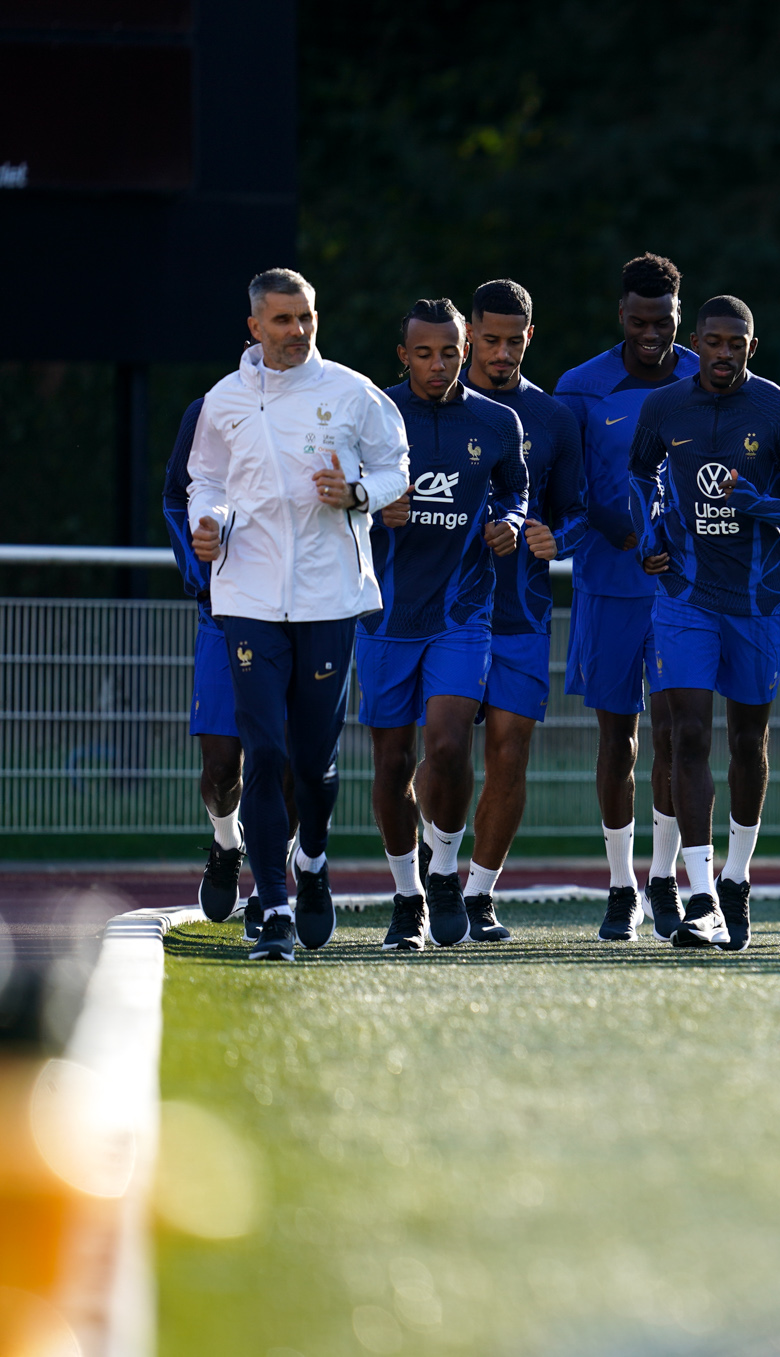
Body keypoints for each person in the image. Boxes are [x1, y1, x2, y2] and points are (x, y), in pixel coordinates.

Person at [187, 268, 410, 961]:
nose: (296, 332)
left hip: (327, 593)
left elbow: (397, 467)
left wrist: (359, 492)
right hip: (248, 594)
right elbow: (209, 479)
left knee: (312, 759)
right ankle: (275, 906)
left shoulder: (352, 392)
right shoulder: (223, 399)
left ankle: (311, 862)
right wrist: (209, 521)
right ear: (254, 326)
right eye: (282, 320)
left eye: (306, 317)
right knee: (264, 750)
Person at [630, 295, 780, 951]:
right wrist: (647, 534)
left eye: (735, 341)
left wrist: (760, 504)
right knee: (686, 734)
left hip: (756, 602)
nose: (723, 352)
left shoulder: (779, 411)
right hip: (684, 597)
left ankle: (738, 878)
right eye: (712, 341)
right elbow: (638, 475)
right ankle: (701, 895)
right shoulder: (665, 407)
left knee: (748, 741)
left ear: (752, 344)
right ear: (697, 342)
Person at [363, 299, 528, 950]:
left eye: (450, 352)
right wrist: (375, 507)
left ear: (465, 352)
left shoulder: (496, 421)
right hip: (384, 611)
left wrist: (511, 522)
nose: (439, 365)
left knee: (451, 745)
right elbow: (332, 492)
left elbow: (516, 491)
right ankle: (405, 898)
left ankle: (441, 867)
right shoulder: (372, 413)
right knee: (391, 758)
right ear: (403, 355)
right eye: (424, 353)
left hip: (463, 612)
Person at [554, 253, 701, 940]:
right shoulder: (579, 387)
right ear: (622, 315)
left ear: (679, 315)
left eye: (664, 321)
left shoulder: (708, 377)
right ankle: (621, 887)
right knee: (620, 737)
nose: (652, 333)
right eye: (640, 320)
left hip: (685, 591)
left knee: (679, 735)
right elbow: (566, 489)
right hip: (609, 587)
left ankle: (665, 880)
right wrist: (614, 528)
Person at [463, 279, 585, 927]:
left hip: (522, 612)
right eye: (490, 339)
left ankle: (478, 894)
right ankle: (430, 870)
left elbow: (578, 509)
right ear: (468, 337)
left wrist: (555, 535)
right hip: (439, 614)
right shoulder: (425, 407)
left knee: (510, 751)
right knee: (443, 749)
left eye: (514, 340)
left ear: (529, 337)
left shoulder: (553, 418)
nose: (501, 352)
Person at [165, 391, 296, 940]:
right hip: (223, 616)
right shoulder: (209, 409)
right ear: (252, 333)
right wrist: (203, 575)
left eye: (298, 322)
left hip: (295, 616)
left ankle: (272, 891)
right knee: (222, 768)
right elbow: (177, 498)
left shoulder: (333, 403)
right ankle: (226, 842)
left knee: (284, 760)